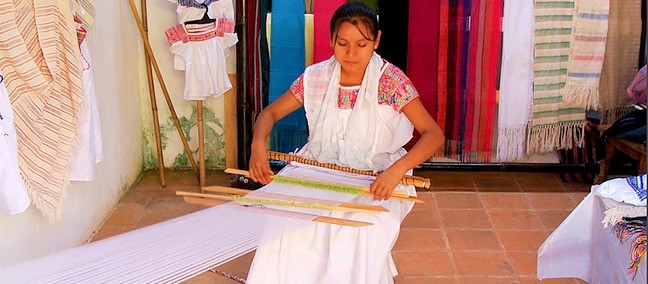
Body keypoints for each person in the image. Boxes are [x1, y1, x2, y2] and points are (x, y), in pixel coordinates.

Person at [246, 2, 445, 283]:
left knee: (357, 228)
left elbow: (433, 134)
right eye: (342, 43)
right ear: (330, 41)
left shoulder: (391, 82)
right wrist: (258, 146)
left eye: (362, 44)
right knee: (282, 221)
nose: (351, 54)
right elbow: (271, 113)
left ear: (376, 41)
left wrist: (396, 171)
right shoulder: (316, 77)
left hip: (378, 170)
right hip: (318, 164)